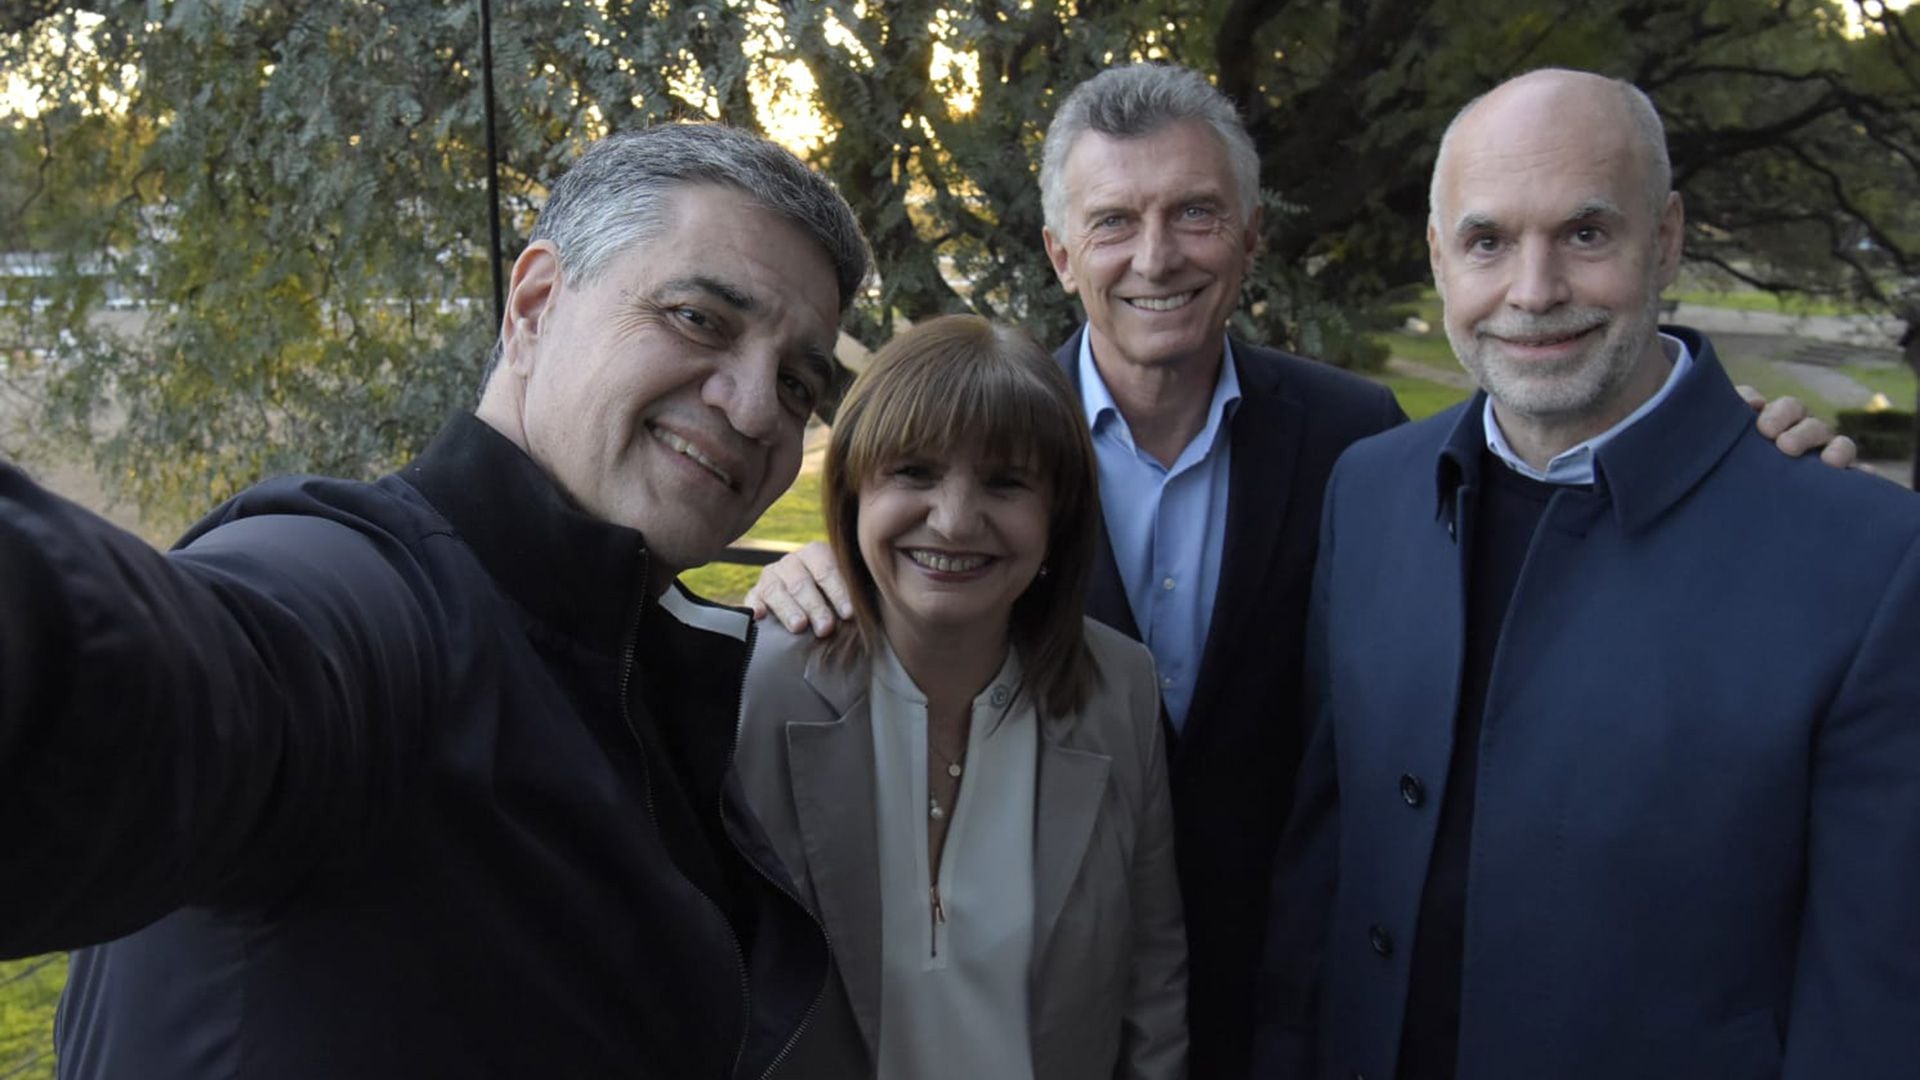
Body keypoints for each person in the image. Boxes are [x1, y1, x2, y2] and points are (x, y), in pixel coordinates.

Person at [744, 61, 1852, 1078]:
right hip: (1044, 997)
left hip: (1294, 999)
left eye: (1196, 214)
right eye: (1115, 221)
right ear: (1061, 252)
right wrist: (829, 568)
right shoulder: (997, 453)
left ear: (1251, 233)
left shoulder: (1359, 444)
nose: (1158, 254)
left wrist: (1730, 451)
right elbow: (913, 538)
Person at [0, 124, 868, 1077]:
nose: (754, 410)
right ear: (535, 306)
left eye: (797, 383)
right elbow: (153, 682)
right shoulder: (365, 595)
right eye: (699, 319)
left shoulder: (647, 667)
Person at [1257, 69, 1920, 1079]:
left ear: (1667, 238)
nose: (1533, 291)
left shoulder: (1868, 559)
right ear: (1438, 258)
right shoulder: (1371, 491)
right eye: (1487, 242)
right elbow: (1327, 867)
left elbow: (1870, 1003)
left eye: (1585, 233)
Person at [733, 314, 1186, 1079]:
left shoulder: (1120, 689)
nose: (953, 518)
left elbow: (1154, 973)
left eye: (1006, 482)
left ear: (1058, 516)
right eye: (913, 472)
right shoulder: (760, 688)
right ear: (852, 491)